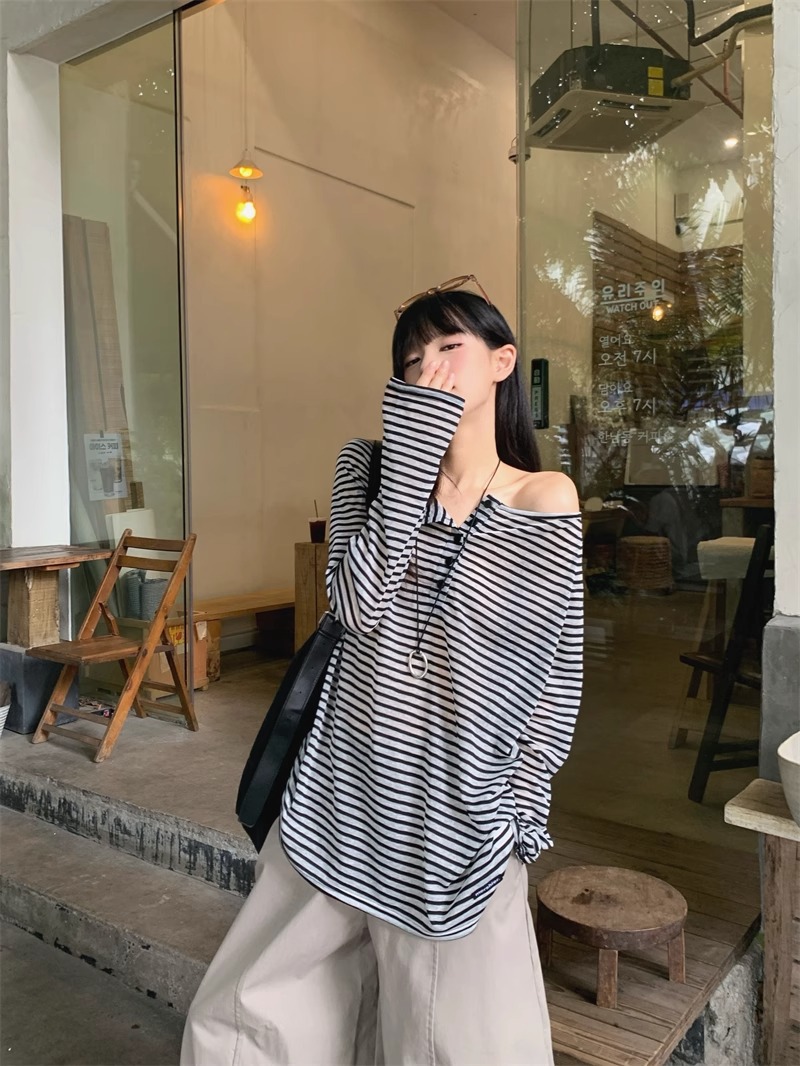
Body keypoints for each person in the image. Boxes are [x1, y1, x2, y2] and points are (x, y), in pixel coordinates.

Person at [182, 276, 584, 1066]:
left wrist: (519, 812)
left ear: (502, 362)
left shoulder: (544, 498)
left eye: (449, 347)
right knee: (250, 1024)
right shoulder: (366, 470)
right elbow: (358, 608)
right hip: (343, 792)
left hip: (461, 814)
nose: (429, 368)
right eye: (411, 360)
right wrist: (410, 461)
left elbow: (555, 675)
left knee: (457, 1045)